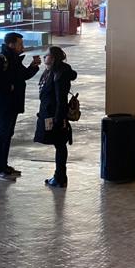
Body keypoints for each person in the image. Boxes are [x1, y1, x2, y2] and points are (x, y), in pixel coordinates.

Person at [0, 32, 41, 180]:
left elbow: (23, 76)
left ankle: (4, 166)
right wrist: (6, 87)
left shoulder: (14, 59)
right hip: (4, 104)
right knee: (2, 135)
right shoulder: (1, 59)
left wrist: (33, 66)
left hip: (13, 103)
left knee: (7, 135)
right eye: (20, 44)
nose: (22, 47)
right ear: (11, 44)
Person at [34, 46, 78, 188]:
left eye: (46, 55)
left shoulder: (59, 74)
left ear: (53, 58)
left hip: (56, 115)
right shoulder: (50, 71)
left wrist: (58, 120)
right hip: (50, 113)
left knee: (60, 145)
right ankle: (59, 176)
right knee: (59, 144)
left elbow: (60, 99)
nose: (44, 57)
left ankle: (60, 177)